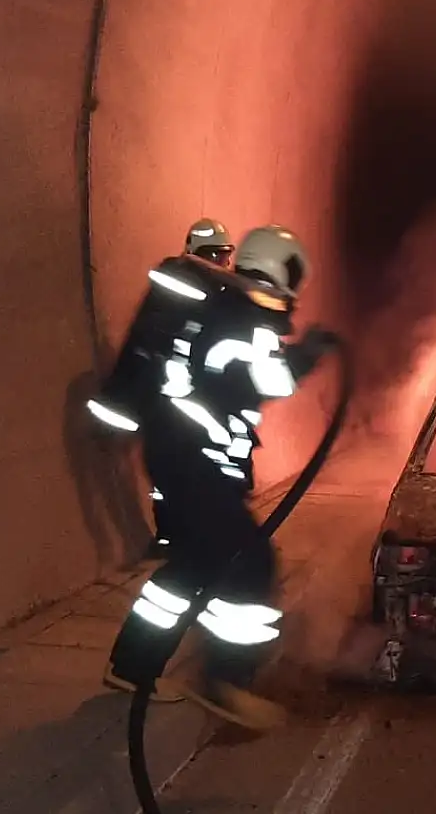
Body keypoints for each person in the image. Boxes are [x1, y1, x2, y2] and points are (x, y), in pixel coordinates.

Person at [88, 225, 332, 730]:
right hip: (199, 464)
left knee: (189, 569)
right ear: (282, 272)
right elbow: (266, 381)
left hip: (176, 457)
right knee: (250, 561)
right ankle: (227, 681)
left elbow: (224, 379)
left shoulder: (217, 308)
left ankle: (131, 666)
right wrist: (310, 352)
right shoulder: (246, 320)